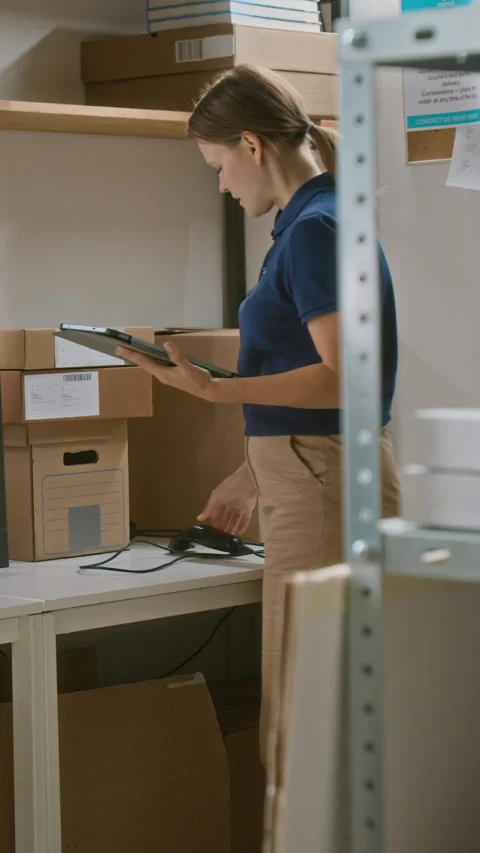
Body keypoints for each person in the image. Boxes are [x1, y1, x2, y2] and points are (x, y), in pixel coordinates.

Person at [117, 64, 400, 767]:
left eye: (217, 166)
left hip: (324, 482)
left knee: (309, 733)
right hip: (314, 473)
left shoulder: (315, 229)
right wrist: (249, 473)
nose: (220, 184)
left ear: (251, 145)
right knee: (314, 722)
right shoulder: (315, 220)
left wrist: (216, 393)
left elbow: (345, 380)